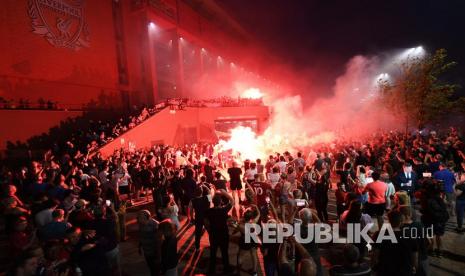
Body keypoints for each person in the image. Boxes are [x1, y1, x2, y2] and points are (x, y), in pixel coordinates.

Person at [372, 210, 417, 276]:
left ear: (389, 221)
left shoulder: (380, 234)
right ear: (400, 222)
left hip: (385, 271)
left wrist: (374, 267)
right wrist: (414, 266)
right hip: (404, 271)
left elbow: (375, 254)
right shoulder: (409, 235)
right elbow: (414, 255)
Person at [205, 189, 234, 274]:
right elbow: (232, 201)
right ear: (221, 202)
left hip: (213, 234)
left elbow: (205, 222)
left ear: (213, 202)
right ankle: (226, 268)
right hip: (223, 234)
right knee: (224, 252)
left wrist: (209, 230)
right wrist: (225, 193)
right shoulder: (223, 210)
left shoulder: (208, 211)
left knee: (213, 252)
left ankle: (211, 270)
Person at [137, 210, 161, 276]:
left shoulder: (155, 225)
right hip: (146, 251)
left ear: (146, 218)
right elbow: (141, 235)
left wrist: (158, 255)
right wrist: (140, 246)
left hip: (154, 252)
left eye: (140, 217)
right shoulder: (141, 224)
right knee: (151, 267)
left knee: (156, 270)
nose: (138, 218)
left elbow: (159, 241)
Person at [189, 185, 210, 250]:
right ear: (202, 192)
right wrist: (205, 186)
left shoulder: (192, 201)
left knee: (197, 233)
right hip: (207, 217)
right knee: (210, 232)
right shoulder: (207, 197)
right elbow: (209, 192)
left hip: (198, 218)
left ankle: (197, 247)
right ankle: (211, 244)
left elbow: (191, 210)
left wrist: (192, 218)